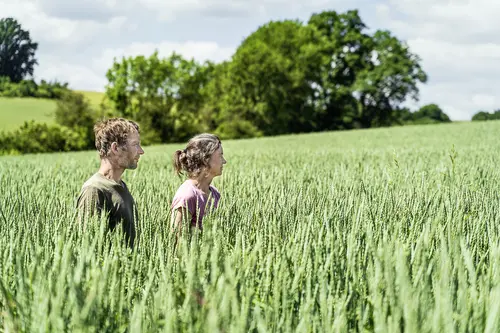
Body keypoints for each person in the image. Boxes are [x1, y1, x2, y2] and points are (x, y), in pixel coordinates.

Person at [76, 117, 145, 249]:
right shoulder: (94, 190)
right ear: (116, 148)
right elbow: (87, 247)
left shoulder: (120, 186)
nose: (141, 151)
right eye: (135, 144)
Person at [170, 133, 226, 235]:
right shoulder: (187, 196)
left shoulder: (214, 193)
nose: (224, 161)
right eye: (220, 156)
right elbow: (177, 243)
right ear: (205, 160)